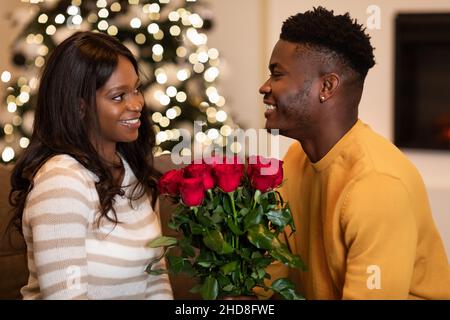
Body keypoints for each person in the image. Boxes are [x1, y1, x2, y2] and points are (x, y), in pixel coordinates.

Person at [258, 7, 450, 299]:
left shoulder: (378, 185)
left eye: (277, 74)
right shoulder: (296, 160)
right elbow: (273, 269)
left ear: (326, 86)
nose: (265, 87)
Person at [8, 31, 173, 300]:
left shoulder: (134, 174)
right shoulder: (62, 181)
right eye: (118, 96)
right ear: (79, 106)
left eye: (136, 89)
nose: (137, 104)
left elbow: (155, 282)